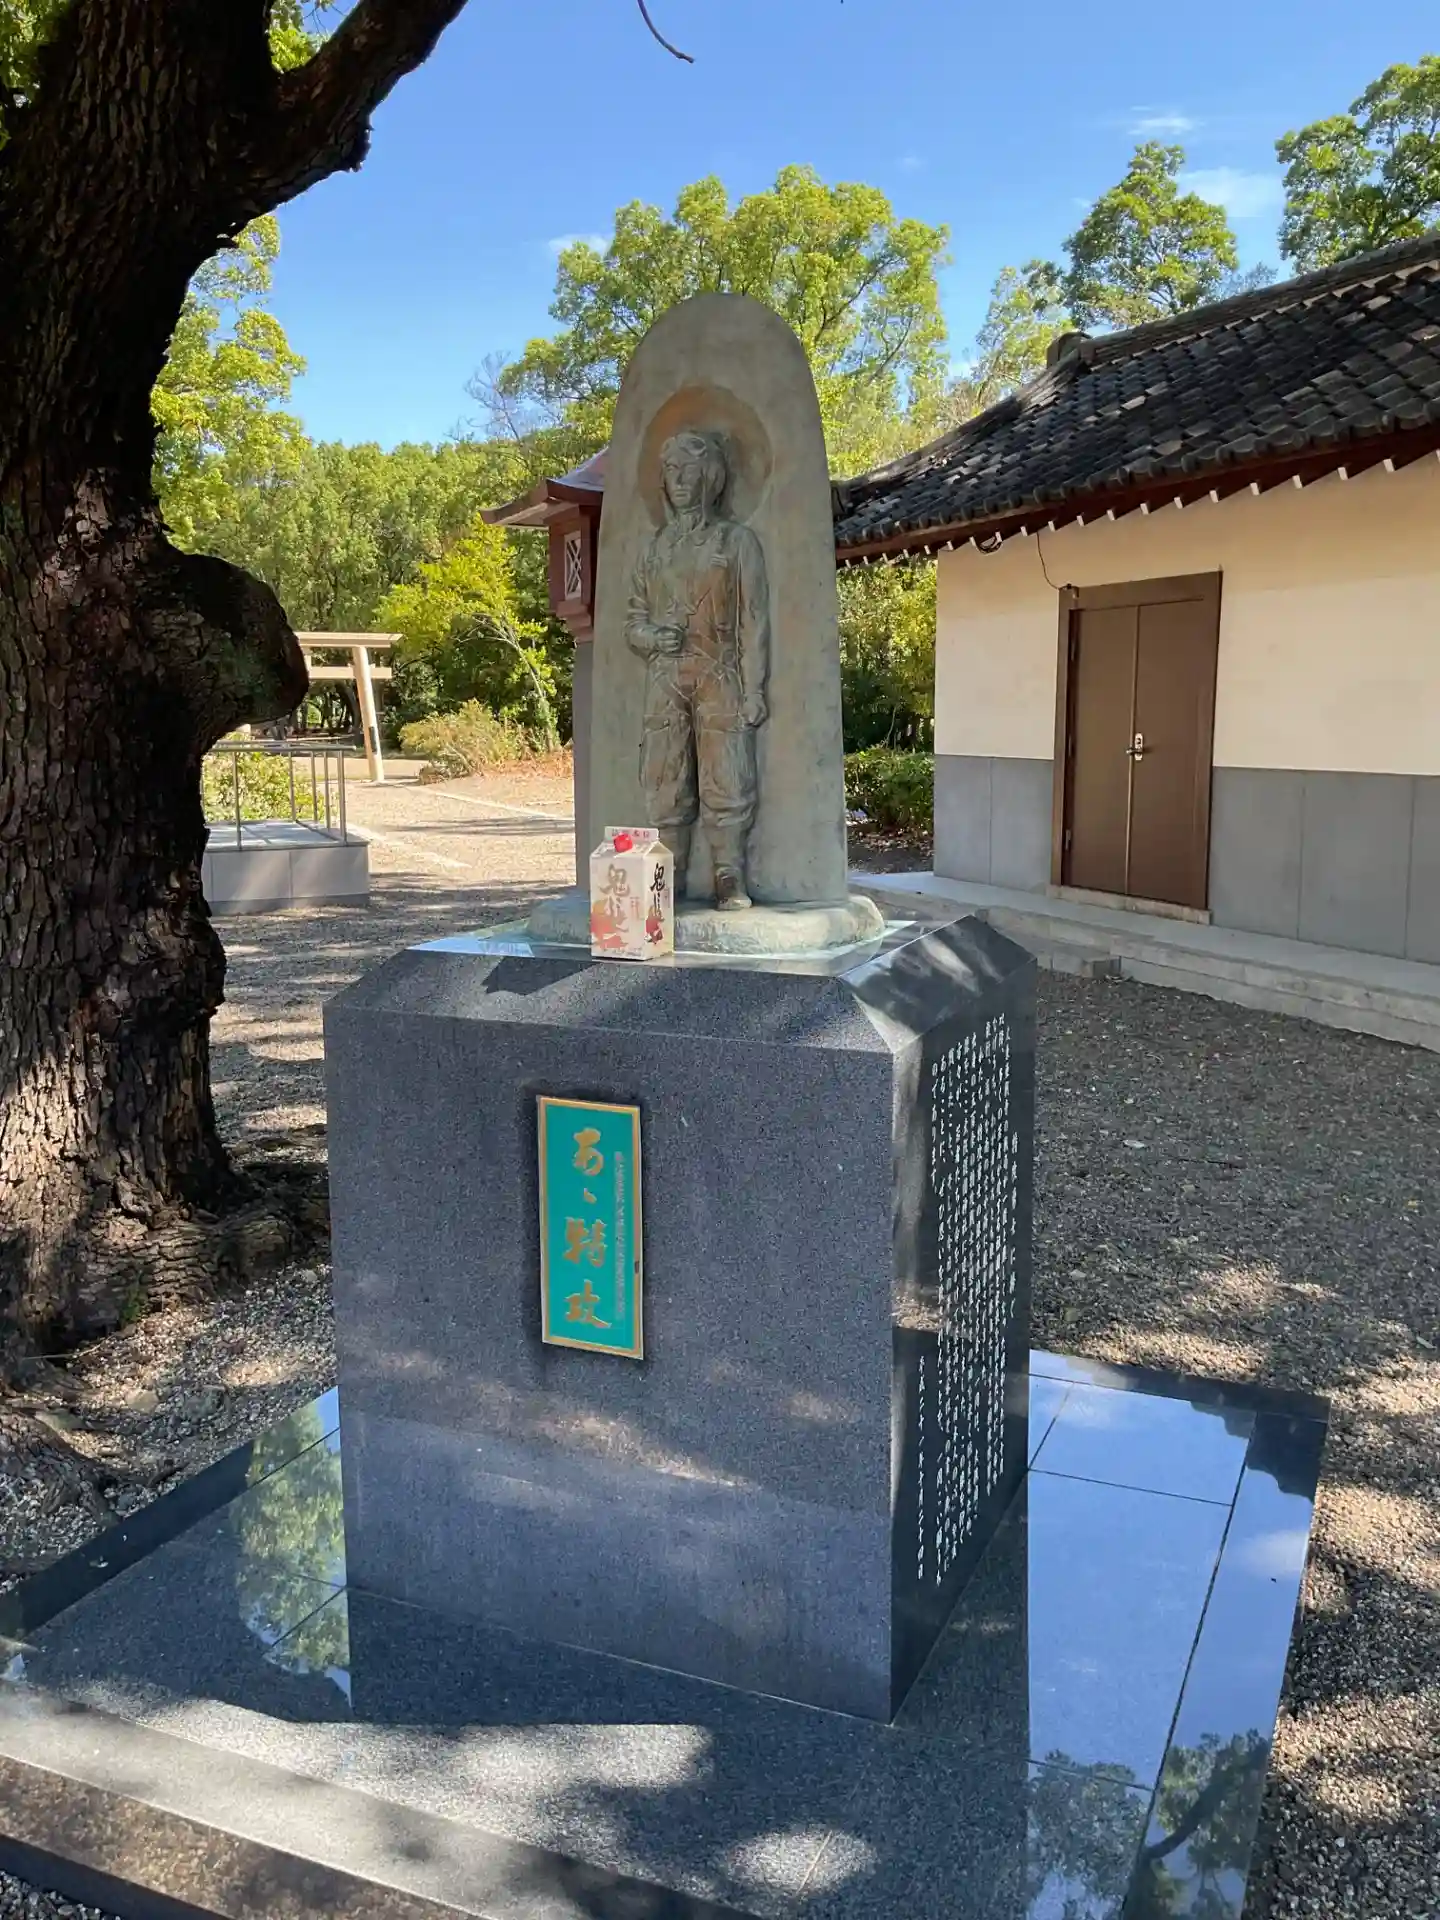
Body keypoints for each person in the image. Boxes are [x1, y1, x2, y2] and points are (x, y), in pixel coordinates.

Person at [624, 429, 770, 910]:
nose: (679, 480)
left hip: (719, 673)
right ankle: (665, 878)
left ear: (711, 477)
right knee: (665, 774)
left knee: (726, 773)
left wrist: (754, 689)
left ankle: (728, 873)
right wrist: (651, 637)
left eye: (689, 470)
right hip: (665, 676)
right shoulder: (655, 549)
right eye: (671, 471)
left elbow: (753, 621)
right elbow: (633, 620)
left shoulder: (737, 542)